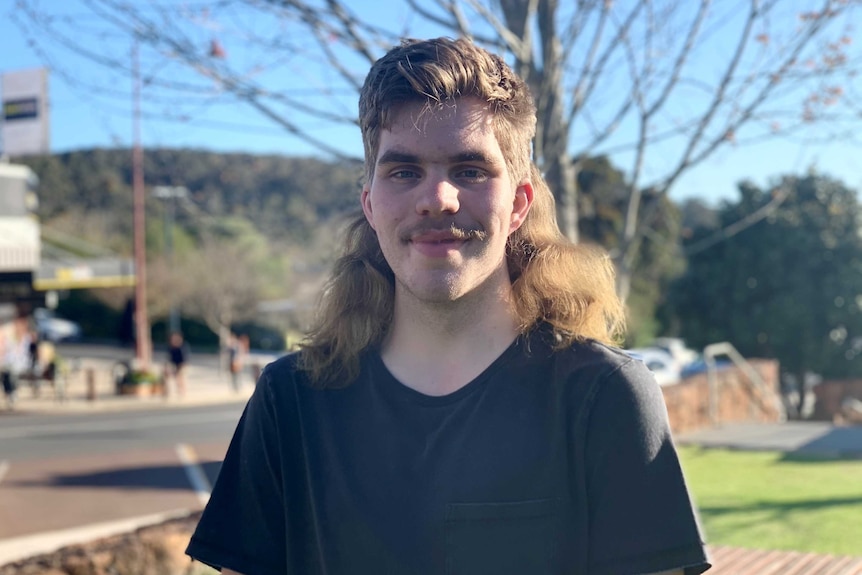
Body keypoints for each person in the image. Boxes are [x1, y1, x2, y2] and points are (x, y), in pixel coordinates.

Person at [186, 37, 711, 575]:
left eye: (470, 170)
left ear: (519, 204)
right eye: (404, 171)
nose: (438, 198)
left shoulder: (602, 397)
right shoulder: (289, 403)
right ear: (370, 203)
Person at [165, 331, 189, 397]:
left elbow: (185, 358)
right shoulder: (171, 348)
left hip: (181, 364)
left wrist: (182, 366)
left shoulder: (182, 347)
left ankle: (182, 391)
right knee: (169, 376)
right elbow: (169, 358)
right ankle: (170, 391)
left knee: (179, 377)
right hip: (174, 364)